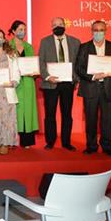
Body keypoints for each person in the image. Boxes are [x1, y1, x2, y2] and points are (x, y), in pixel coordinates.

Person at [76, 20, 111, 156]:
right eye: (96, 30)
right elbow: (79, 68)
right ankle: (91, 146)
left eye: (101, 30)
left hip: (109, 88)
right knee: (90, 119)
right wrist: (93, 76)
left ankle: (107, 146)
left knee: (107, 119)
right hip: (90, 87)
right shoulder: (84, 47)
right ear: (92, 31)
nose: (98, 33)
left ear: (105, 31)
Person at [38, 17, 80, 151]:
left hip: (68, 83)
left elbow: (80, 64)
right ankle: (50, 141)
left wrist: (75, 78)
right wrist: (47, 76)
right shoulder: (45, 42)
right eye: (55, 25)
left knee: (67, 113)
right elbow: (41, 62)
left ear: (65, 25)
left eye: (61, 24)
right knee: (50, 114)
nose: (58, 26)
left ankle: (66, 142)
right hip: (50, 84)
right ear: (51, 27)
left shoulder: (75, 42)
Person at [9, 20, 39, 148]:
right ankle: (12, 140)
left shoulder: (29, 46)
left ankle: (27, 141)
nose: (23, 32)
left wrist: (35, 72)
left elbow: (34, 65)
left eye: (24, 29)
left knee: (28, 111)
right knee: (15, 111)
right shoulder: (8, 46)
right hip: (14, 83)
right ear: (14, 31)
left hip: (28, 83)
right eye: (20, 29)